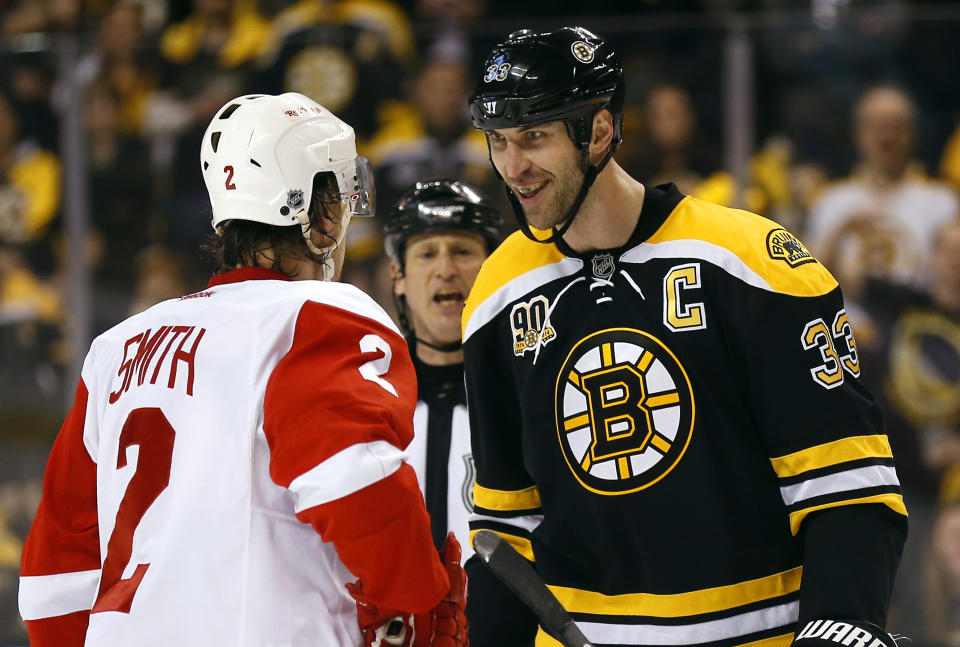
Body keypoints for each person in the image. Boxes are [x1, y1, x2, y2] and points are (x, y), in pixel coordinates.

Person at [462, 26, 908, 647]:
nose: (513, 167)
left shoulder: (753, 264)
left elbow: (846, 483)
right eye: (498, 141)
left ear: (598, 131)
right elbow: (506, 525)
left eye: (534, 137)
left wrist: (842, 623)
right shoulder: (497, 294)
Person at [18, 92, 467, 647]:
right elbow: (353, 485)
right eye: (344, 198)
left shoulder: (116, 347)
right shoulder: (317, 316)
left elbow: (53, 575)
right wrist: (418, 593)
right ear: (322, 217)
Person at [383, 178, 501, 562]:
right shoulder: (366, 400)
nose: (446, 269)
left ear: (493, 269)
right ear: (397, 277)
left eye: (463, 251)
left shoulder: (525, 395)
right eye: (427, 254)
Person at [806, 85, 958, 296]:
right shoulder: (831, 200)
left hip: (917, 323)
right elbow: (806, 278)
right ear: (858, 133)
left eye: (896, 126)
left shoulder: (942, 201)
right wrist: (840, 231)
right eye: (876, 127)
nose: (887, 137)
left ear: (913, 133)